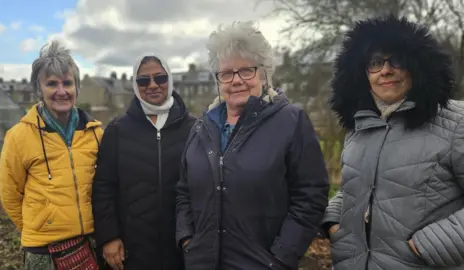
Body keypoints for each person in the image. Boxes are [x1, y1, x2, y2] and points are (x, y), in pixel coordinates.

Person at [175, 21, 330, 270]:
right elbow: (184, 191)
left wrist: (281, 255)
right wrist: (187, 239)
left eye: (246, 71)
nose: (236, 81)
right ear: (218, 80)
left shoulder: (290, 121)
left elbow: (311, 195)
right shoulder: (202, 127)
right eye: (226, 73)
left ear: (264, 74)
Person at [320, 15, 464, 269]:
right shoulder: (360, 125)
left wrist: (430, 246)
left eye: (396, 60)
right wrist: (333, 221)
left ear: (417, 65)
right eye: (375, 62)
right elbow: (355, 187)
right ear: (362, 72)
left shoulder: (456, 122)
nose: (386, 70)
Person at [0, 40, 103, 269]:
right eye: (51, 84)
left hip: (89, 244)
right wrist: (40, 226)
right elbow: (10, 194)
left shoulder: (95, 133)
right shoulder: (19, 136)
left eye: (68, 83)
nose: (61, 91)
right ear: (39, 89)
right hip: (44, 253)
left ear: (77, 88)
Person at [91, 54, 196, 270]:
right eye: (143, 80)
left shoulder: (194, 128)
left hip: (181, 246)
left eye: (160, 78)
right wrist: (109, 237)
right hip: (133, 249)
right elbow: (103, 187)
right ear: (135, 85)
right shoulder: (118, 131)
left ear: (170, 80)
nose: (153, 85)